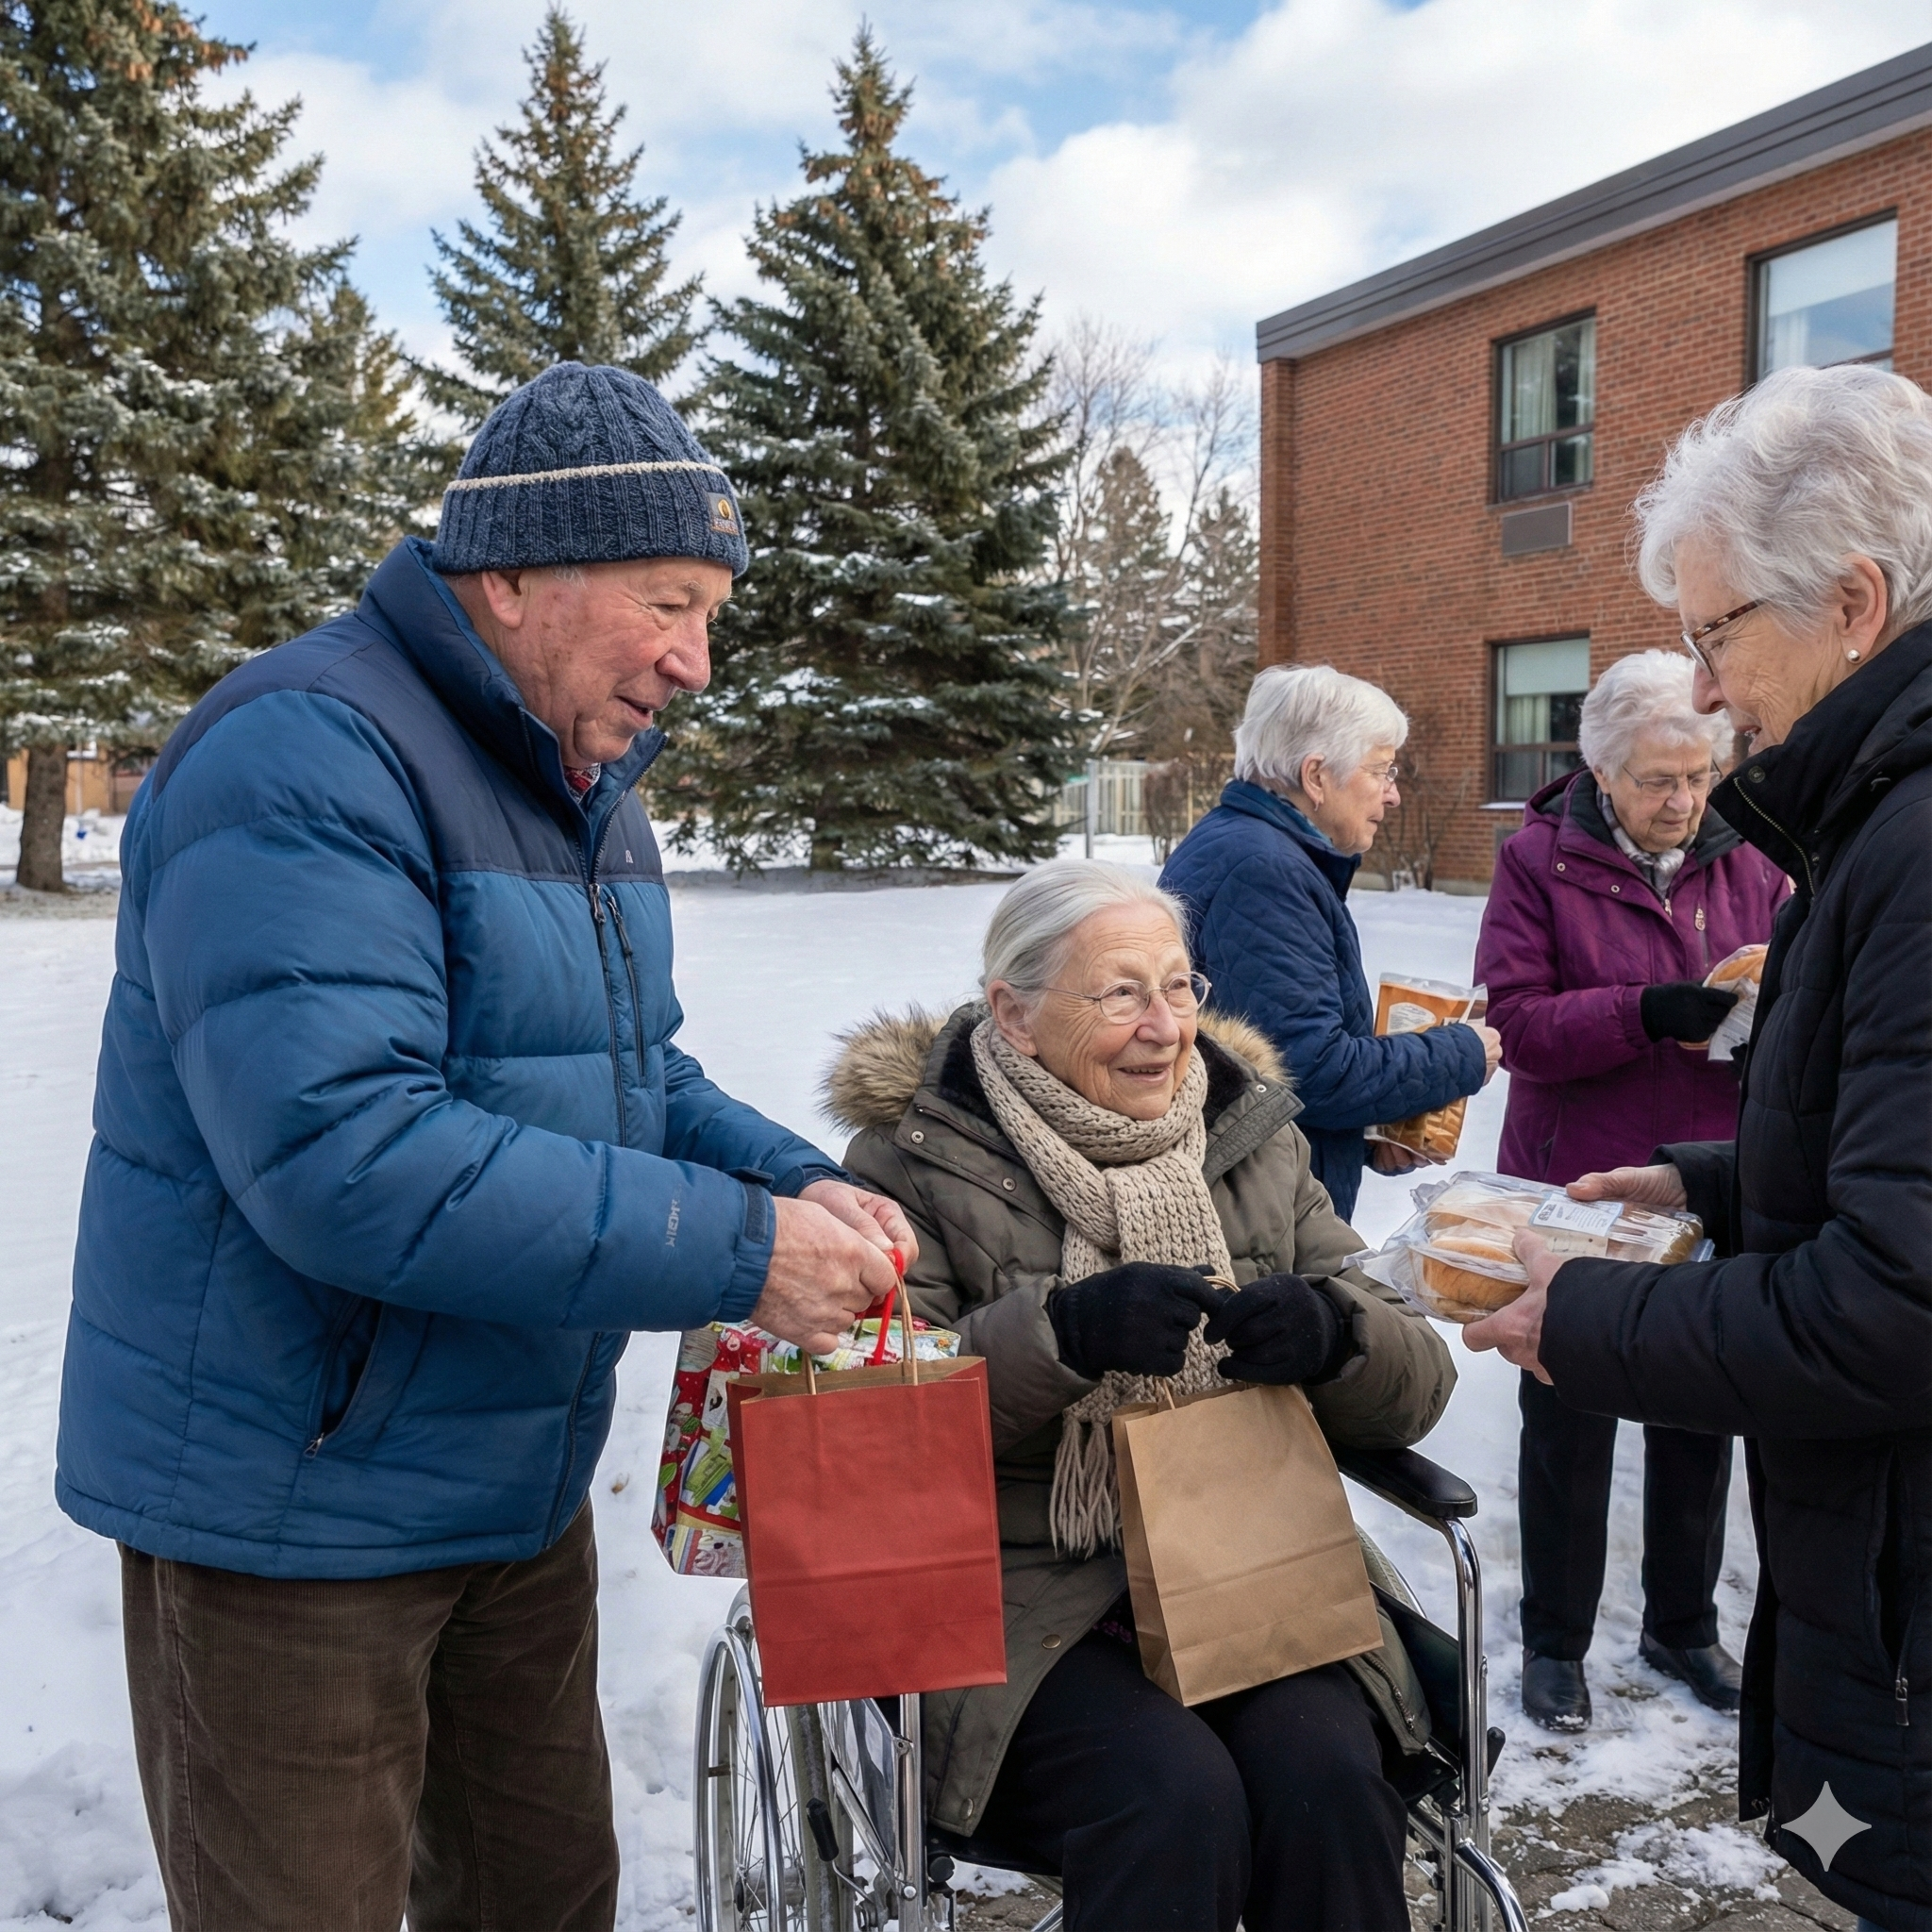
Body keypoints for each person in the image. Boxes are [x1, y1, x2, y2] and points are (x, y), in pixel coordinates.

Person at [54, 363, 918, 1932]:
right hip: (295, 1515)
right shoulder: (301, 752)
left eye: (711, 612)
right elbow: (347, 1153)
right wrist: (737, 1249)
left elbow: (625, 1070)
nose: (695, 660)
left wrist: (790, 1178)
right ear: (509, 574)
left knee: (542, 1897)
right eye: (668, 599)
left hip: (507, 1490)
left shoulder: (586, 789)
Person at [1466, 364, 1932, 1932]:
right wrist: (1709, 1182)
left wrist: (1576, 1312)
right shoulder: (1862, 817)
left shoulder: (1903, 839)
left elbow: (1893, 1293)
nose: (1705, 691)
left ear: (1852, 601)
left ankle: (1673, 1620)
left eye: (1715, 630)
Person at [827, 859, 1456, 1932]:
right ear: (1013, 1015)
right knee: (1173, 1798)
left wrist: (1334, 1334)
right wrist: (1057, 1336)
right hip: (1018, 1588)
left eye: (1178, 986)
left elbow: (1415, 1383)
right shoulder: (907, 1166)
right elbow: (866, 1437)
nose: (1162, 1026)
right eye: (1119, 992)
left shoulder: (1253, 1138)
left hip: (1247, 1559)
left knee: (1329, 1784)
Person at [1474, 649, 1789, 1733]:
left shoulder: (1753, 856)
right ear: (1598, 772)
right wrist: (1645, 1010)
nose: (1682, 800)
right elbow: (1513, 1023)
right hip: (1579, 1180)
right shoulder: (1536, 859)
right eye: (1657, 780)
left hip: (1708, 1172)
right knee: (1568, 1401)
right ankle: (1554, 1640)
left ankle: (1682, 1624)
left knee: (1698, 1400)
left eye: (1698, 774)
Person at [1159, 663, 1500, 1222]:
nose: (1392, 795)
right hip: (1262, 1214)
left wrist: (1365, 1134)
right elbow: (1308, 1071)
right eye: (1381, 771)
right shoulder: (1262, 872)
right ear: (1316, 776)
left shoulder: (1254, 850)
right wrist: (1460, 1053)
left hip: (1268, 1190)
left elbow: (1270, 1067)